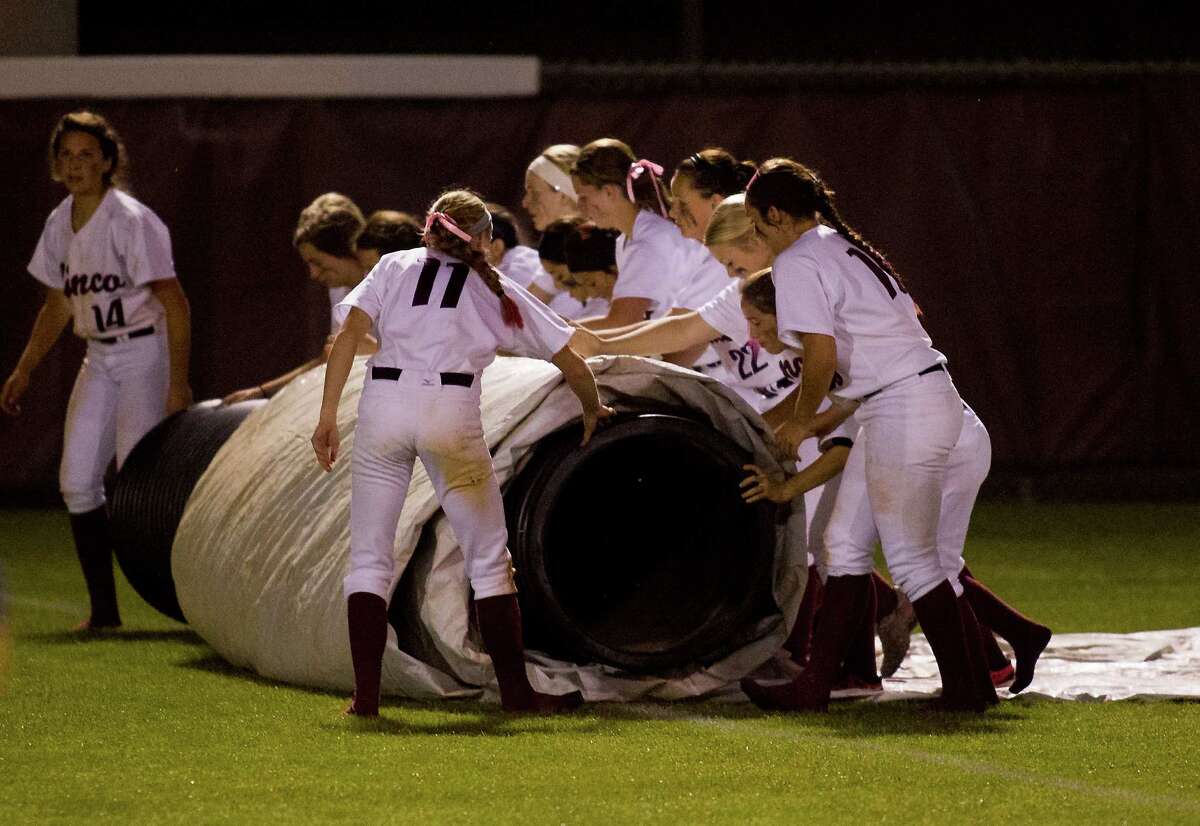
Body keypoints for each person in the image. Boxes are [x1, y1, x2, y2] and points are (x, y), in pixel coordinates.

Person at [311, 188, 614, 716]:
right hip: (450, 409)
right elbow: (570, 360)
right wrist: (593, 408)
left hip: (383, 403)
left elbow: (348, 338)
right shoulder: (493, 286)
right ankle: (516, 692)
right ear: (484, 240)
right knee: (488, 559)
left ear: (428, 229)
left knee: (369, 558)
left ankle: (367, 698)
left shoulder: (394, 265)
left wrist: (326, 415)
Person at [738, 159, 998, 713]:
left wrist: (800, 422)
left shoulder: (799, 258)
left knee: (912, 560)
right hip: (901, 399)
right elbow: (862, 364)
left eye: (758, 225)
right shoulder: (835, 245)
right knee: (843, 544)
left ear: (777, 214)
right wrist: (814, 421)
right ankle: (818, 685)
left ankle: (970, 688)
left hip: (904, 405)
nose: (757, 237)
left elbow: (820, 355)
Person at [736, 270, 1050, 694]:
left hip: (941, 442)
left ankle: (862, 677)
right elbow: (838, 418)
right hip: (950, 436)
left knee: (893, 559)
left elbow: (843, 446)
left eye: (756, 321)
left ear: (787, 311)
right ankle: (1000, 657)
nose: (751, 335)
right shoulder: (834, 342)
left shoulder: (831, 347)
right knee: (917, 563)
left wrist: (787, 486)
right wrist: (793, 433)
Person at [0, 111, 192, 631]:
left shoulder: (130, 219)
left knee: (138, 486)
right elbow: (57, 305)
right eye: (66, 155)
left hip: (143, 351)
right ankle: (104, 613)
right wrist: (24, 368)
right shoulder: (59, 222)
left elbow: (174, 303)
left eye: (86, 154)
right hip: (100, 355)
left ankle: (189, 601)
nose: (75, 164)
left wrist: (177, 382)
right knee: (77, 481)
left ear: (108, 162)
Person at [221, 198, 419, 404]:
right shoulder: (345, 293)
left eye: (318, 263)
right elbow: (330, 358)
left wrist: (373, 351)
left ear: (347, 252)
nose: (314, 274)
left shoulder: (405, 290)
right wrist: (263, 391)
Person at [570, 139, 688, 331]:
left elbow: (622, 322)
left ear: (609, 192)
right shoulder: (627, 239)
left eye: (583, 196)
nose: (580, 206)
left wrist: (555, 332)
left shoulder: (648, 242)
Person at [521, 144, 582, 305]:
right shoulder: (559, 251)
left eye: (534, 193)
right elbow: (522, 310)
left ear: (563, 195)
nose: (525, 203)